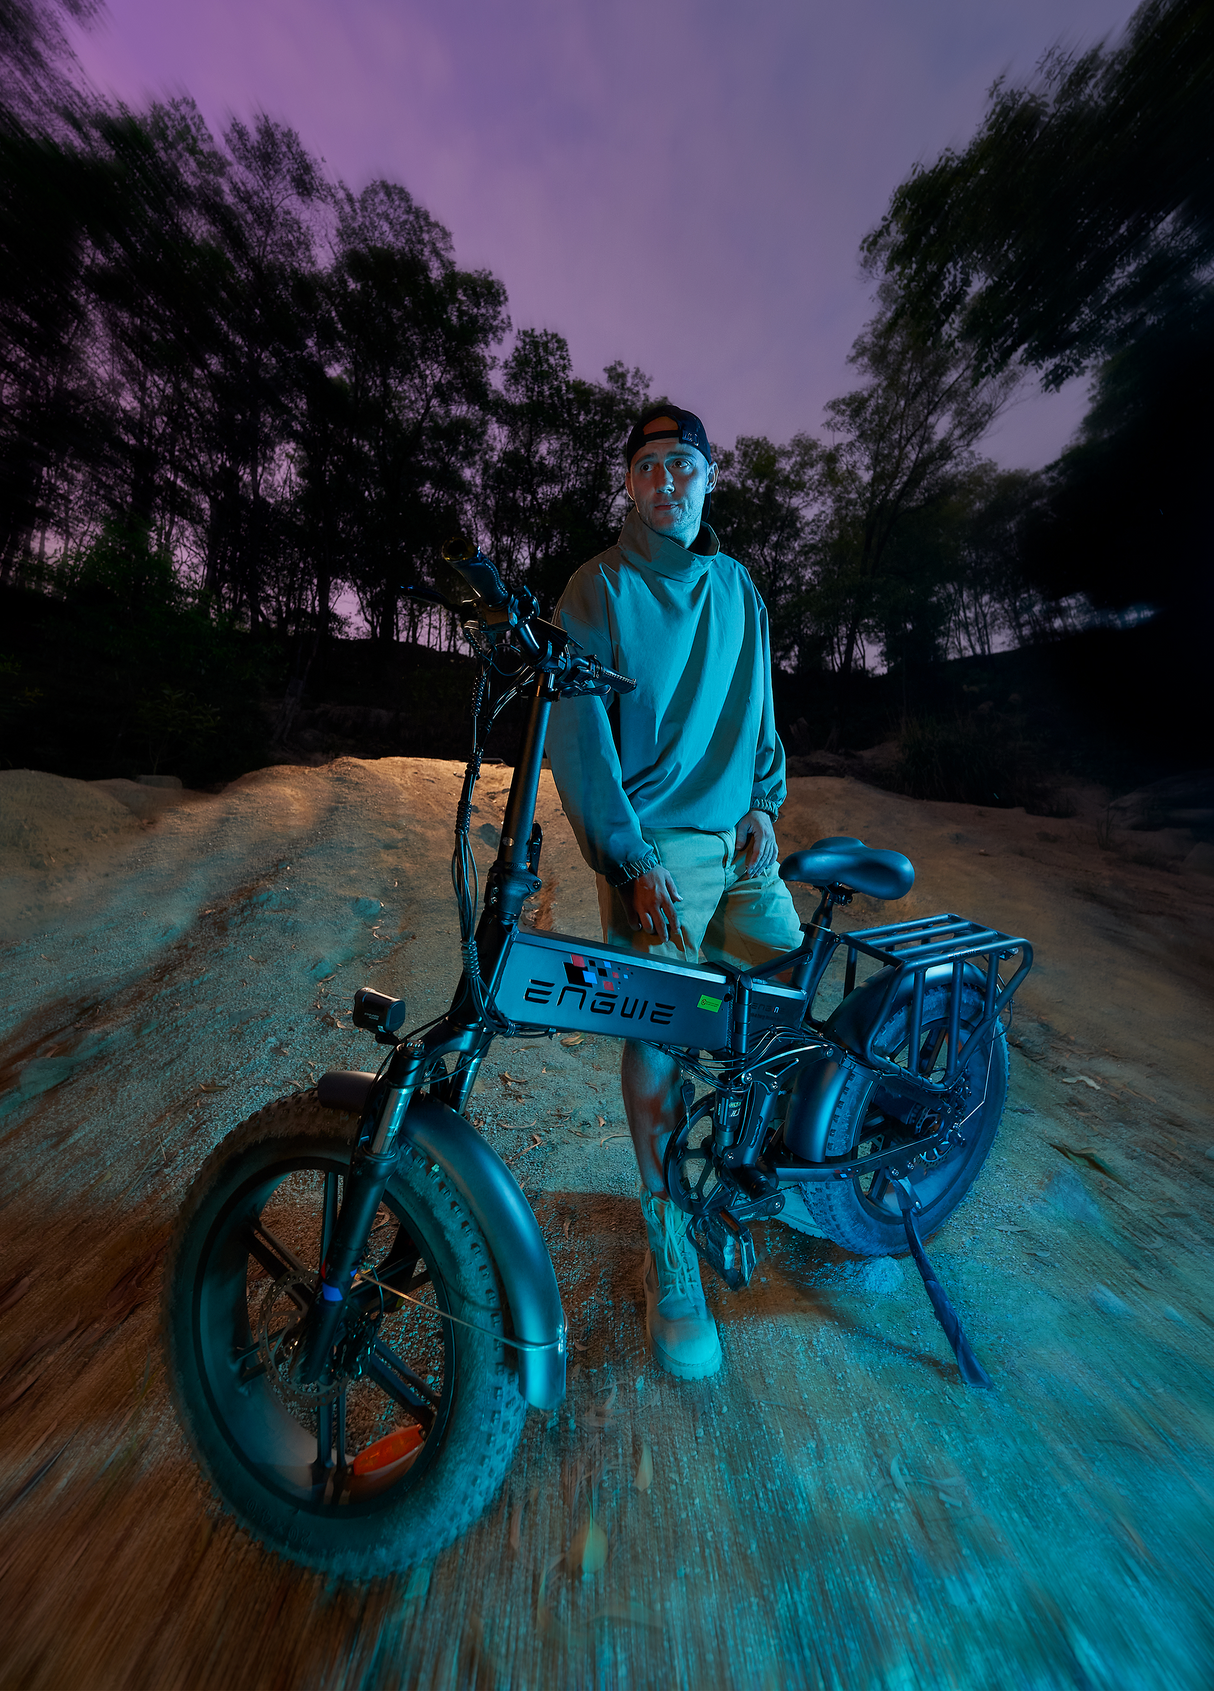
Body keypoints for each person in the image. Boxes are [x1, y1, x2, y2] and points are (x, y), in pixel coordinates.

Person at [545, 403, 803, 1380]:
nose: (667, 482)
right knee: (660, 1037)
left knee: (781, 1003)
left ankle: (740, 1172)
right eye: (649, 466)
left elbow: (759, 710)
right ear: (627, 484)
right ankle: (669, 1259)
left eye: (684, 465)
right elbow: (579, 736)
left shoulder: (737, 588)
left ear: (707, 480)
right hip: (655, 850)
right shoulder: (597, 588)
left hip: (740, 842)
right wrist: (627, 856)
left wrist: (766, 804)